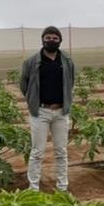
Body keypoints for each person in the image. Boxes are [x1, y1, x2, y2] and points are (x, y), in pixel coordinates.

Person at [19, 25, 76, 192]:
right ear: (43, 40)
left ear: (60, 41)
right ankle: (33, 188)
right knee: (37, 151)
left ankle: (62, 187)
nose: (51, 41)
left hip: (61, 111)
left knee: (61, 151)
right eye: (48, 38)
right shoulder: (31, 62)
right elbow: (24, 85)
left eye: (55, 38)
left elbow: (70, 82)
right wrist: (33, 100)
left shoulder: (66, 60)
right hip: (40, 112)